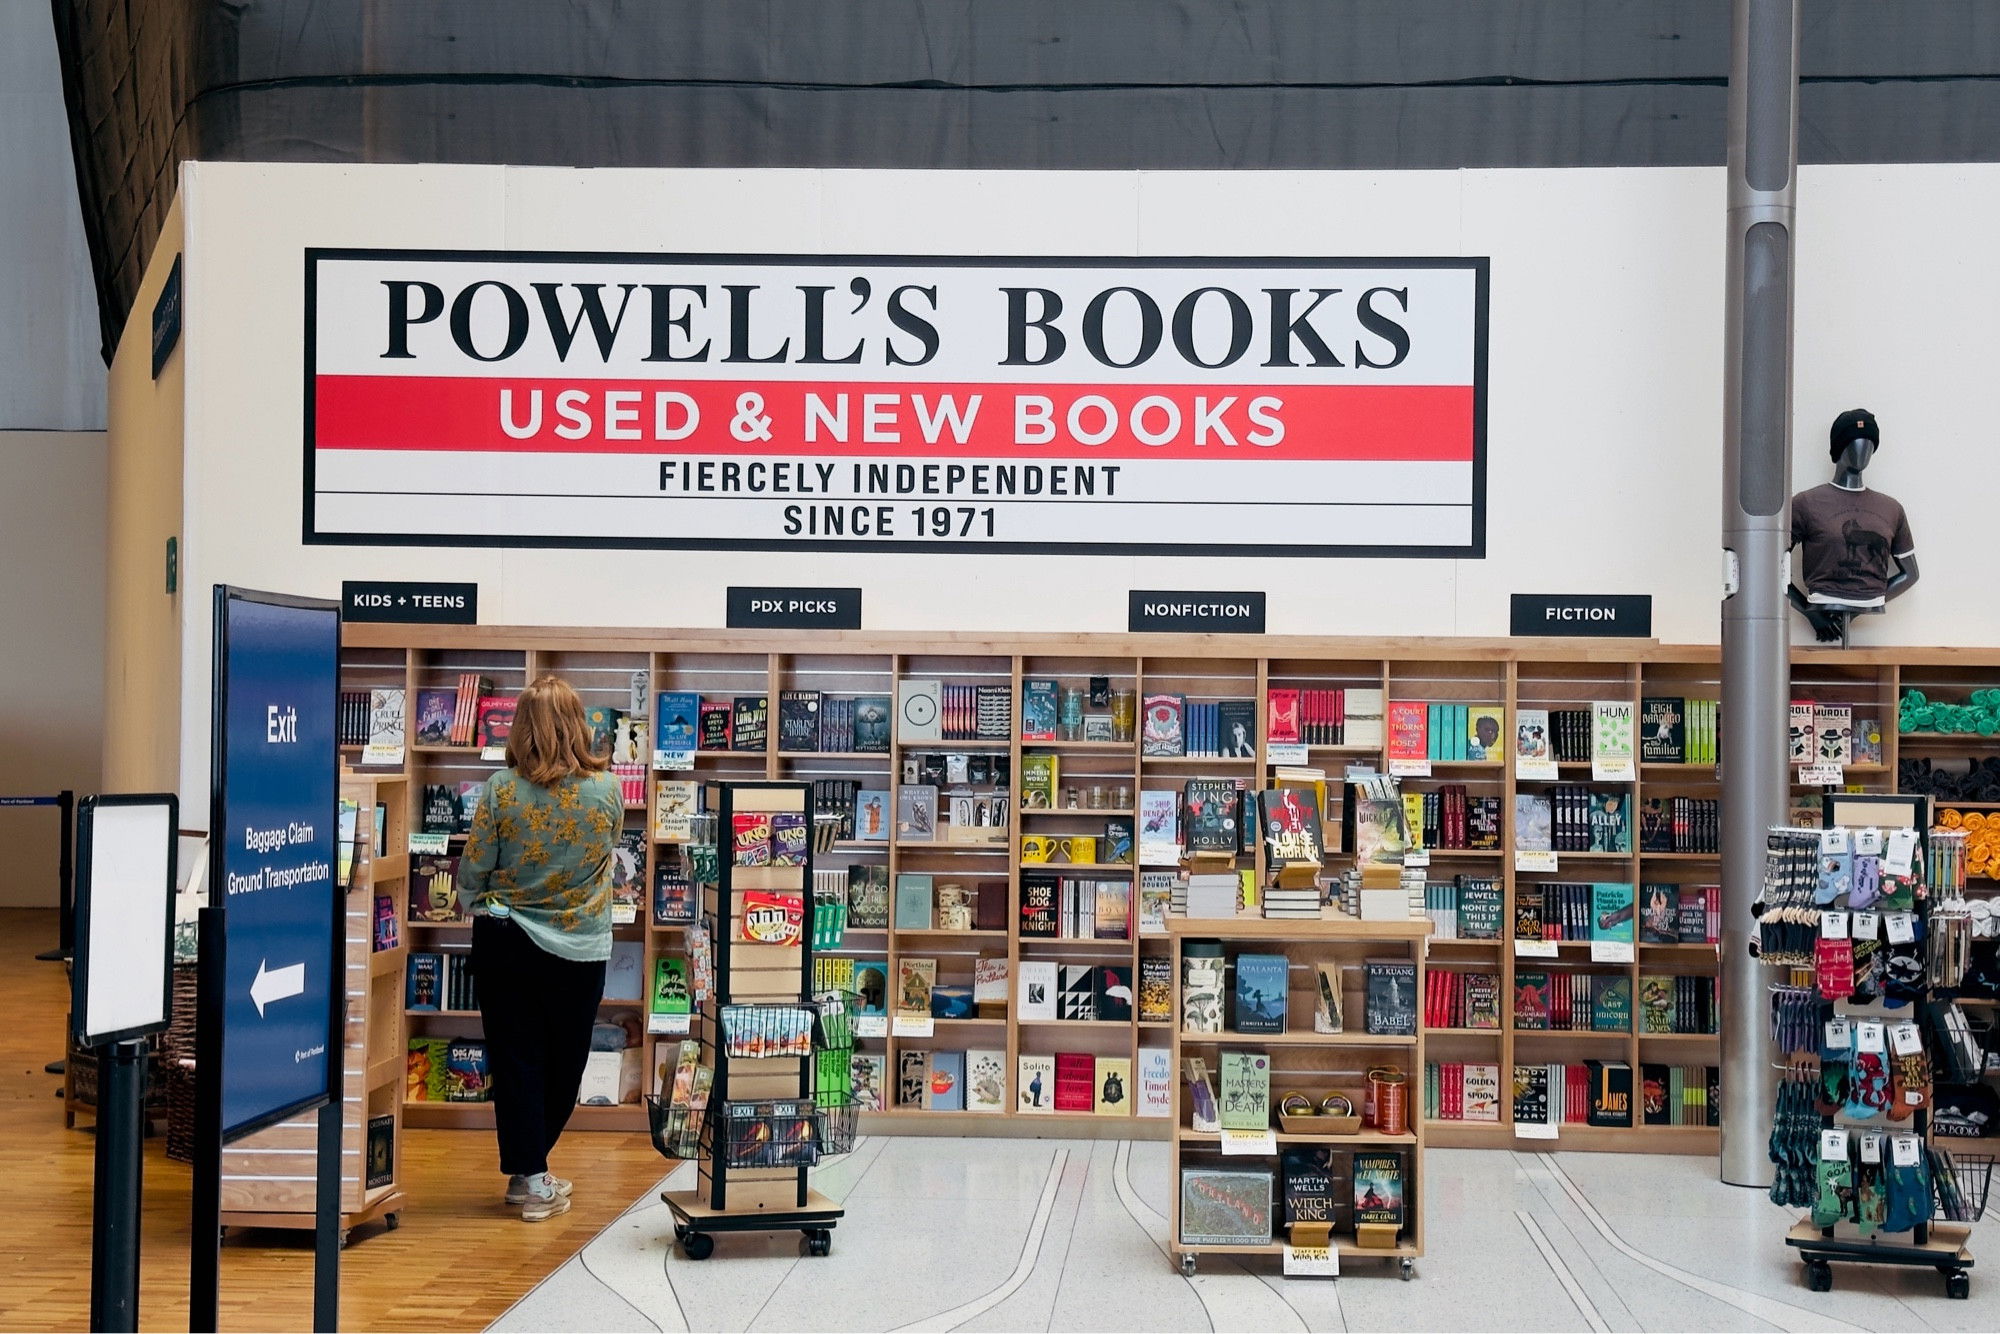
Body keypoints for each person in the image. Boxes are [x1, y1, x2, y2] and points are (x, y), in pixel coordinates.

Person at [458, 674, 622, 1221]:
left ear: (520, 727)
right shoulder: (608, 790)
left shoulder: (500, 789)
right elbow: (605, 853)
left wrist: (477, 898)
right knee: (565, 1062)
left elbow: (475, 866)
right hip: (578, 945)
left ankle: (530, 1172)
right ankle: (532, 1173)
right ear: (580, 725)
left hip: (506, 942)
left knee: (516, 1060)